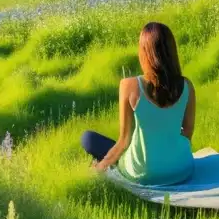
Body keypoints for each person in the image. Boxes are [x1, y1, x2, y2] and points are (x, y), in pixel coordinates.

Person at [81, 21, 195, 185]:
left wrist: (100, 167)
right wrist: (170, 154)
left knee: (88, 139)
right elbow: (188, 131)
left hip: (144, 174)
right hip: (182, 170)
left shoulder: (129, 86)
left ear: (144, 52)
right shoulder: (187, 86)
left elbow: (124, 141)